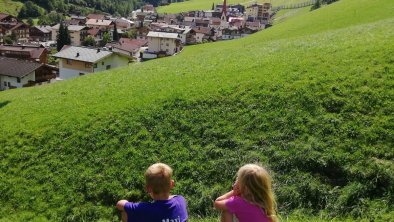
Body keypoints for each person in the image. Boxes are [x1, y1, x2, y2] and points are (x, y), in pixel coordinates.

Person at [116, 163, 188, 222]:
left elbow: (119, 204)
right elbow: (175, 197)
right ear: (172, 184)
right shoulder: (181, 200)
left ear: (148, 189)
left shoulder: (145, 209)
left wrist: (126, 202)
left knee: (125, 213)